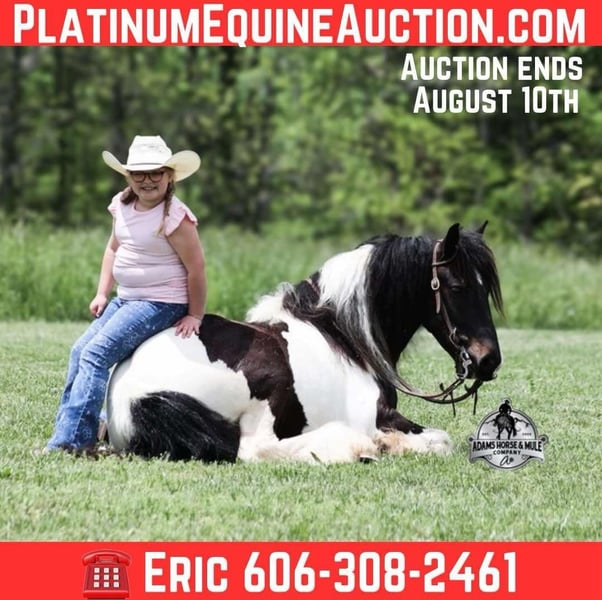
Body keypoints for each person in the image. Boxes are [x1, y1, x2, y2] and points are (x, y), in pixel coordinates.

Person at [43, 135, 206, 454]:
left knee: (96, 355)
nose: (147, 180)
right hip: (126, 297)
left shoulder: (174, 217)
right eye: (139, 173)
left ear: (169, 176)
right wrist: (102, 293)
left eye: (155, 172)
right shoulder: (122, 204)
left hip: (161, 301)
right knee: (79, 351)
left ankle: (73, 442)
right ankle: (77, 426)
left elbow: (197, 269)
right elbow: (112, 249)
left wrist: (195, 314)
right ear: (128, 176)